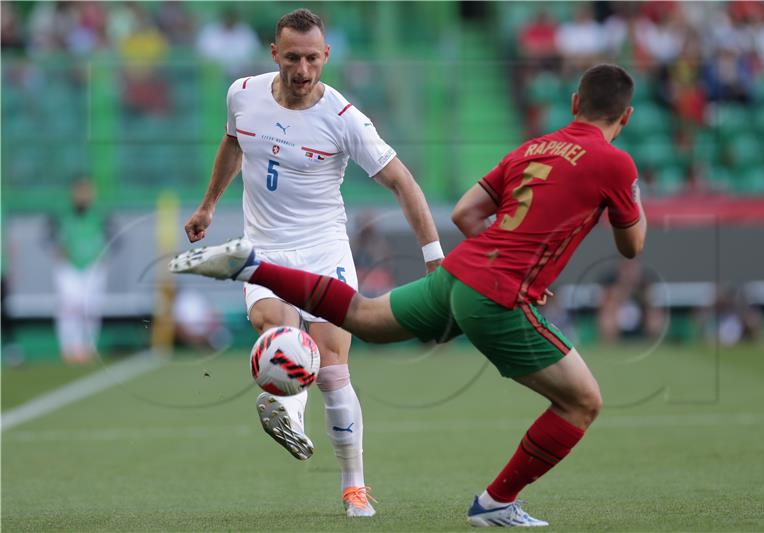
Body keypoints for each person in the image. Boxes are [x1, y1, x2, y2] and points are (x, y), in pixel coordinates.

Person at [172, 63, 646, 527]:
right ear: (624, 118)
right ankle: (496, 502)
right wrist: (627, 195)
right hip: (499, 294)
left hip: (460, 273)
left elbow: (466, 213)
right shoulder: (616, 163)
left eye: (311, 57)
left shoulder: (533, 148)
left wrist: (485, 254)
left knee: (362, 317)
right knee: (582, 402)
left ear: (574, 104)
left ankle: (253, 268)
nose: (302, 66)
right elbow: (632, 245)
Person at [181, 9, 442, 518]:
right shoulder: (242, 94)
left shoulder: (344, 120)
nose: (303, 69)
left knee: (333, 367)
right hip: (264, 247)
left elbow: (403, 183)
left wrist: (435, 259)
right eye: (293, 57)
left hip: (324, 248)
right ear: (274, 54)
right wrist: (210, 202)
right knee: (273, 321)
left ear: (326, 56)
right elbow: (234, 142)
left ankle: (353, 487)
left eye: (312, 58)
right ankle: (291, 418)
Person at [50, 178, 111, 364]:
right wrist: (59, 251)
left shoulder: (100, 215)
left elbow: (115, 239)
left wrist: (102, 256)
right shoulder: (62, 215)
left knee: (91, 307)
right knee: (70, 306)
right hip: (69, 267)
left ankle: (88, 347)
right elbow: (48, 237)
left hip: (93, 266)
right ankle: (70, 348)